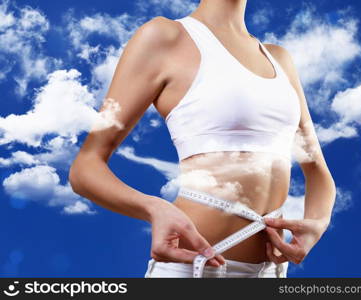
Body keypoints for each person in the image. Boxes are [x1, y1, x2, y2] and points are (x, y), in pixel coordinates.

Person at [69, 0, 336, 278]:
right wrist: (154, 208)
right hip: (191, 270)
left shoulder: (279, 59)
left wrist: (318, 223)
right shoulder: (165, 37)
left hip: (268, 274)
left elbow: (317, 171)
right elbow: (85, 168)